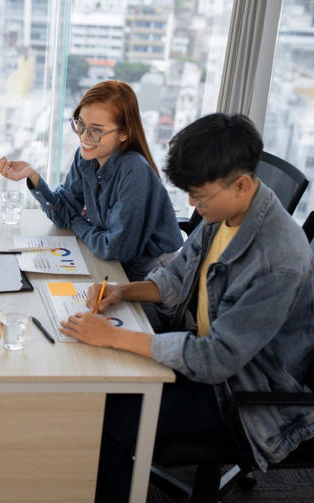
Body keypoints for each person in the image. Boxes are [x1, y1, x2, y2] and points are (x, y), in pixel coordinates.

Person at [58, 113, 314, 502]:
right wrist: (123, 293)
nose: (193, 206)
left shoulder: (278, 262)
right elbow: (177, 278)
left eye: (199, 196)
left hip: (241, 395)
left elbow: (215, 360)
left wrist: (116, 337)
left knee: (111, 412)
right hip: (201, 348)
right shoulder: (225, 212)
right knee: (96, 371)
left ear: (242, 184)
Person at [0, 80, 182, 281]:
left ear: (124, 133)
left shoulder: (135, 171)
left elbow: (114, 249)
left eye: (96, 130)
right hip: (117, 268)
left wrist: (77, 221)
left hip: (154, 275)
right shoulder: (86, 157)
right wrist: (33, 177)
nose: (84, 137)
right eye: (81, 125)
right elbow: (62, 216)